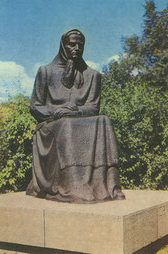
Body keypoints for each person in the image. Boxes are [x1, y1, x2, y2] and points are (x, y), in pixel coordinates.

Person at [26, 29, 125, 203]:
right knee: (67, 124)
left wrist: (75, 111)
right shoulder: (46, 71)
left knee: (105, 121)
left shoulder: (92, 75)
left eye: (80, 44)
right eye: (72, 44)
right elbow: (35, 107)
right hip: (52, 124)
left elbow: (93, 107)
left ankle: (109, 186)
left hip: (79, 119)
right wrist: (56, 112)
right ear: (63, 45)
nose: (76, 48)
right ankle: (73, 187)